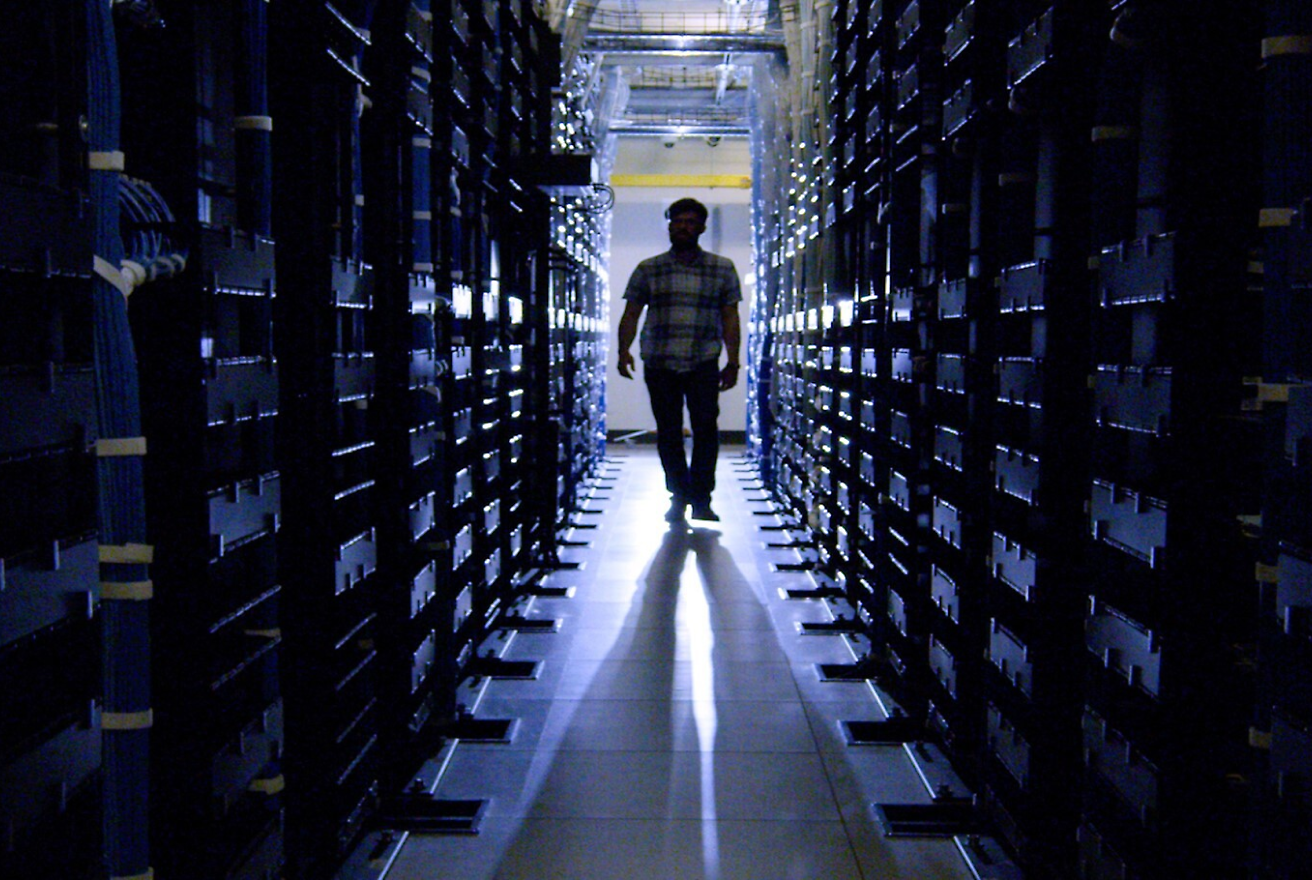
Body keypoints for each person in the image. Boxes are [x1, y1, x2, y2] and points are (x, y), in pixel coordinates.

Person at [617, 197, 742, 523]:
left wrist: (733, 361)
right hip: (659, 362)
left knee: (706, 431)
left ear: (701, 227)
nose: (683, 227)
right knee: (668, 432)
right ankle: (678, 496)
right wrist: (623, 350)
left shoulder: (722, 268)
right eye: (677, 221)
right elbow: (631, 313)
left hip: (702, 361)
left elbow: (731, 317)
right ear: (669, 225)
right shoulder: (649, 268)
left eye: (690, 222)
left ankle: (701, 499)